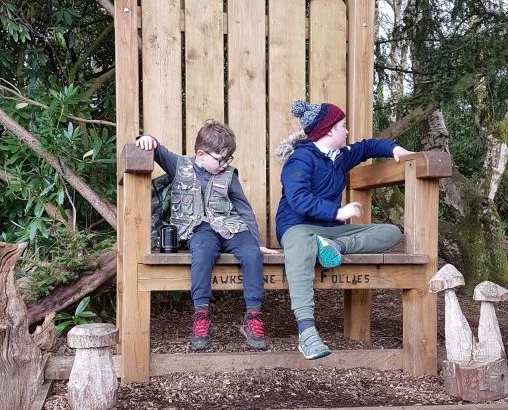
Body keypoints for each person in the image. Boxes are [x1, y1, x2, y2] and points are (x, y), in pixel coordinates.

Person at [275, 100, 413, 360]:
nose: (347, 131)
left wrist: (393, 148)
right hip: (297, 228)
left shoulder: (340, 156)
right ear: (328, 131)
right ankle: (307, 332)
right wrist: (338, 213)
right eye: (343, 126)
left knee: (391, 232)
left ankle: (335, 248)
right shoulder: (300, 160)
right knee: (301, 246)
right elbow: (298, 199)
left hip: (331, 233)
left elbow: (367, 147)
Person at [136, 120, 279, 351]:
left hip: (231, 227)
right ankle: (201, 316)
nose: (224, 164)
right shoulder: (179, 165)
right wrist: (145, 138)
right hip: (200, 230)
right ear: (201, 154)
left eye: (228, 159)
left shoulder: (229, 175)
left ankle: (253, 317)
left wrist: (257, 242)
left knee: (252, 254)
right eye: (220, 159)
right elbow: (156, 148)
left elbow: (243, 208)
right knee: (201, 254)